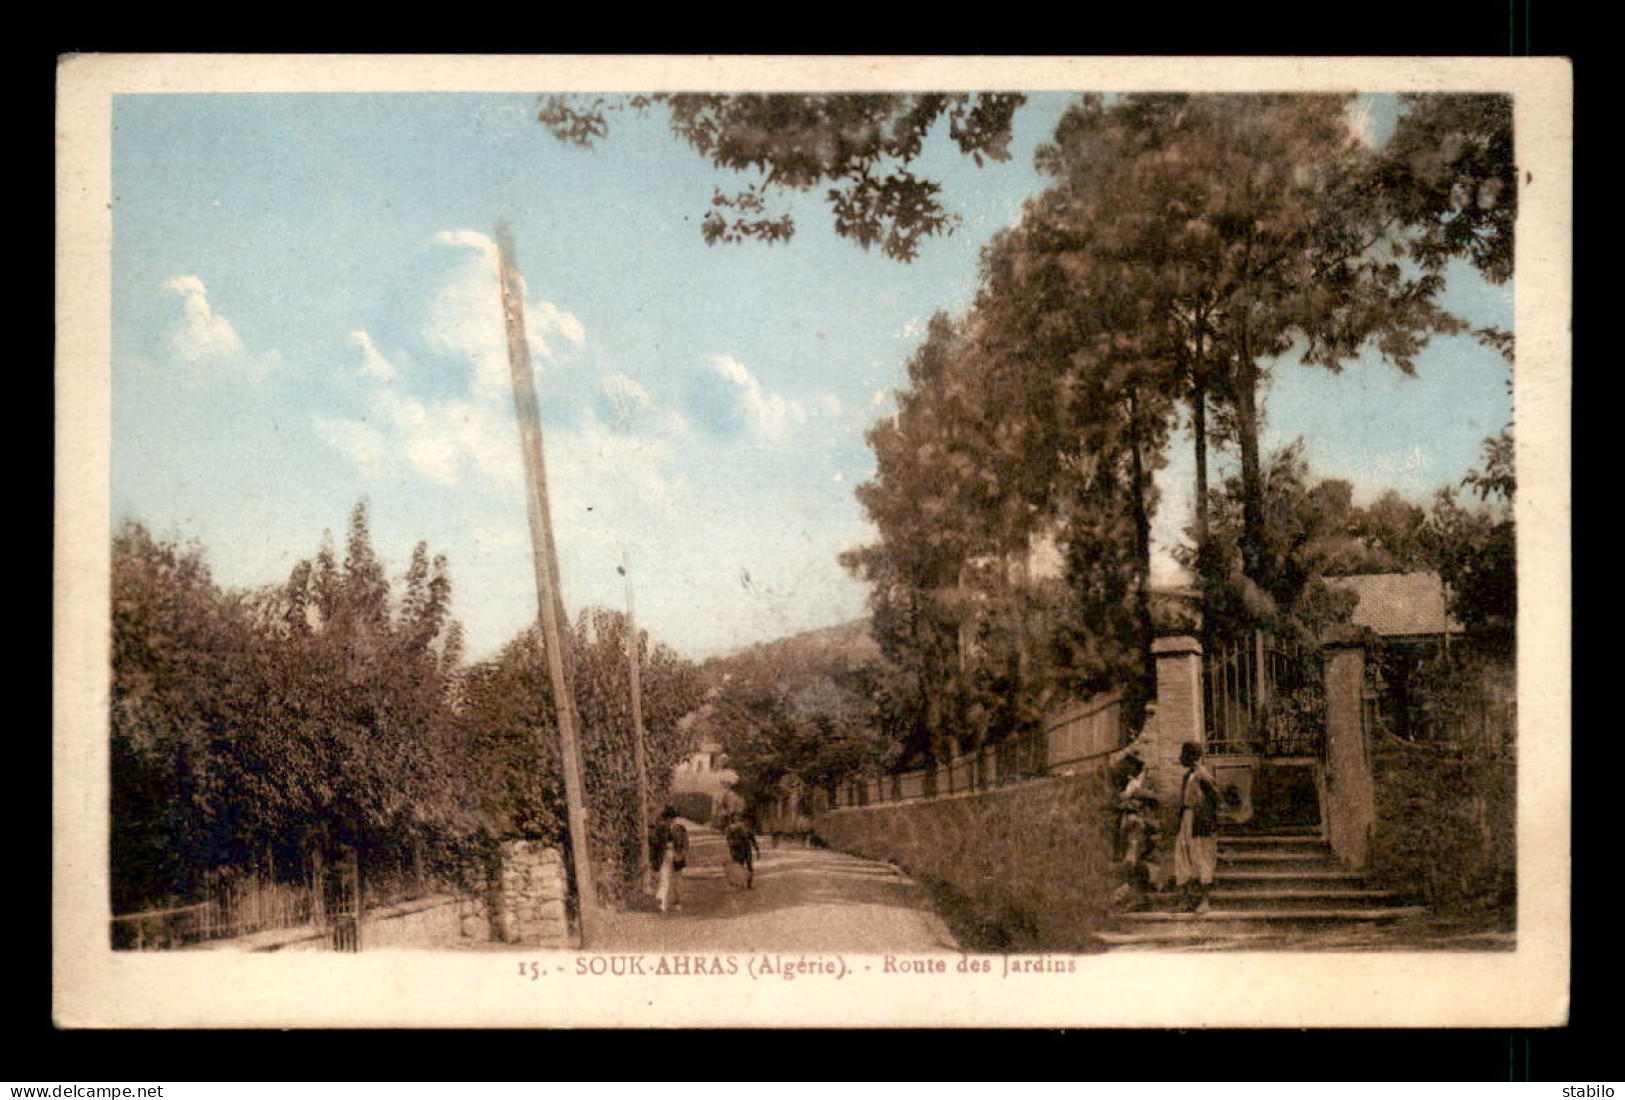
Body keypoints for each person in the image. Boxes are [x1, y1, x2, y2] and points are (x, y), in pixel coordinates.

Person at [1173, 741, 1221, 915]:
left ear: (1191, 756)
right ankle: (1185, 899)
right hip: (1186, 819)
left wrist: (1208, 820)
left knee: (1202, 858)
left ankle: (1204, 901)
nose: (1180, 758)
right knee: (1183, 857)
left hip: (1200, 822)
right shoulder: (1188, 776)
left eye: (1183, 754)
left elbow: (1216, 799)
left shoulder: (1203, 776)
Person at [1110, 754, 1161, 911]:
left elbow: (1156, 799)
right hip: (1129, 826)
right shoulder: (1126, 782)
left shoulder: (1149, 782)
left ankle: (1138, 898)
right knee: (1131, 862)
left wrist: (1137, 793)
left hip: (1144, 827)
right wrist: (1125, 803)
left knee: (1135, 862)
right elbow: (1117, 801)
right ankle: (1137, 898)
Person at [651, 806, 689, 914]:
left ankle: (677, 901)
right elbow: (656, 845)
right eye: (667, 819)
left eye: (672, 818)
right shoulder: (661, 830)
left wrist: (680, 855)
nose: (670, 821)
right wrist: (655, 859)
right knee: (664, 878)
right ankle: (661, 903)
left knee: (677, 881)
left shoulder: (681, 829)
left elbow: (685, 845)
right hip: (665, 855)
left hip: (677, 856)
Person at [725, 810, 761, 889]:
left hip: (746, 849)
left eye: (739, 817)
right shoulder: (730, 828)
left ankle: (748, 883)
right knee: (740, 866)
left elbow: (752, 838)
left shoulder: (745, 828)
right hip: (737, 850)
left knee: (749, 866)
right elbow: (729, 840)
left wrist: (757, 849)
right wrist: (732, 849)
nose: (738, 819)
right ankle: (741, 882)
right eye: (736, 817)